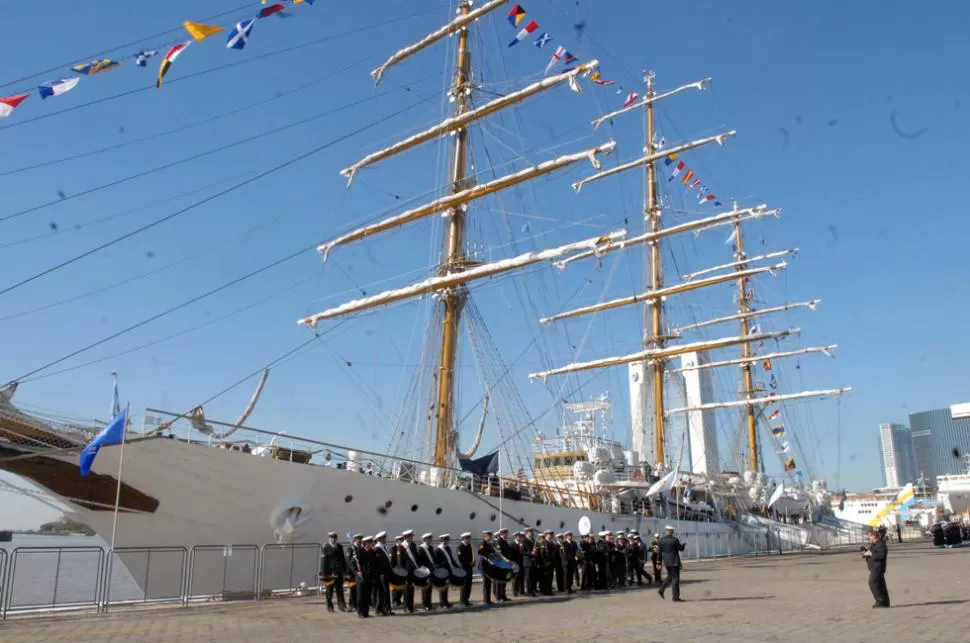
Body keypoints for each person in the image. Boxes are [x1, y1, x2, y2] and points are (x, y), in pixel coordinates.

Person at [321, 531, 349, 612]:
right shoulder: (325, 547)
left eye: (334, 537)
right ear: (329, 538)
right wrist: (324, 574)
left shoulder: (339, 546)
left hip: (339, 572)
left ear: (336, 538)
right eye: (331, 537)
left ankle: (342, 605)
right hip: (330, 573)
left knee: (340, 590)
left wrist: (345, 571)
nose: (333, 539)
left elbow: (343, 559)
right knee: (329, 590)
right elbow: (324, 561)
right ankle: (330, 607)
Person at [862, 529, 890, 608]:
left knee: (872, 583)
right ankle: (885, 602)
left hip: (878, 567)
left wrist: (871, 553)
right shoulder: (874, 544)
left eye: (870, 536)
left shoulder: (880, 544)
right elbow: (871, 552)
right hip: (874, 567)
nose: (869, 538)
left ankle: (880, 600)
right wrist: (865, 553)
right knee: (881, 585)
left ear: (874, 536)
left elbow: (880, 555)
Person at [657, 525, 686, 602]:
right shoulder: (675, 540)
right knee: (675, 579)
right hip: (674, 561)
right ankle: (675, 597)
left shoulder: (661, 540)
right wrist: (683, 545)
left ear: (666, 531)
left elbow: (659, 553)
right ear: (672, 532)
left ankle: (661, 590)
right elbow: (681, 549)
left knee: (670, 577)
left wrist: (658, 562)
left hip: (666, 561)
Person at [354, 536, 376, 618]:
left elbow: (374, 565)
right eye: (370, 543)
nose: (371, 544)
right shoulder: (359, 552)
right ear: (365, 544)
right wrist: (357, 571)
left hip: (369, 576)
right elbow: (352, 564)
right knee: (360, 596)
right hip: (361, 577)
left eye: (371, 542)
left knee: (367, 595)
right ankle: (360, 612)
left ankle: (366, 612)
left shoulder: (372, 552)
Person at [433, 534, 455, 609]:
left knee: (446, 586)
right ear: (442, 540)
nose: (447, 541)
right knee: (442, 587)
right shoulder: (438, 550)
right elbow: (436, 562)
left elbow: (451, 558)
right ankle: (442, 603)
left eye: (448, 539)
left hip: (448, 569)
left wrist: (456, 566)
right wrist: (442, 563)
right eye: (446, 539)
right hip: (442, 570)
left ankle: (446, 602)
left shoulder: (448, 548)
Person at [372, 531, 392, 615]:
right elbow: (377, 564)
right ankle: (379, 610)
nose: (385, 539)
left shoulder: (382, 547)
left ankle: (386, 609)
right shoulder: (377, 549)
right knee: (381, 593)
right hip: (381, 575)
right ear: (380, 539)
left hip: (385, 574)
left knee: (386, 592)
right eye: (384, 538)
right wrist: (380, 574)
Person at [401, 529, 419, 613]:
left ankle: (411, 606)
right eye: (410, 536)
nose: (412, 538)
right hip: (406, 571)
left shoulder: (413, 545)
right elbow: (401, 560)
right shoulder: (402, 546)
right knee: (406, 590)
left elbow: (416, 557)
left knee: (412, 588)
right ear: (406, 537)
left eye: (412, 536)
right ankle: (406, 607)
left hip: (413, 570)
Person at [417, 533, 437, 611]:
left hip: (431, 570)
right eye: (428, 539)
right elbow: (420, 561)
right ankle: (425, 605)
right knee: (425, 588)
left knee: (430, 587)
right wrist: (425, 568)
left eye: (430, 538)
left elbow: (433, 558)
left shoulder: (431, 547)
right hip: (425, 570)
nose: (430, 540)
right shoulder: (421, 548)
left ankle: (429, 604)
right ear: (425, 539)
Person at [495, 528, 514, 601]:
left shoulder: (504, 541)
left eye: (507, 533)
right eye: (505, 533)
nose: (506, 535)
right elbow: (499, 554)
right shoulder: (499, 541)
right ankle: (499, 596)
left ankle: (503, 595)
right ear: (501, 534)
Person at [478, 530, 497, 605]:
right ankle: (485, 600)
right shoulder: (483, 543)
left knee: (488, 583)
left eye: (491, 536)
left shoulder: (489, 544)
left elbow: (493, 552)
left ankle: (488, 599)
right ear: (486, 536)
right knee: (486, 583)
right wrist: (488, 556)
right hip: (484, 566)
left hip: (489, 566)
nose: (491, 537)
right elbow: (480, 552)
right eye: (490, 536)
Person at [457, 532, 475, 607]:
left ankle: (467, 600)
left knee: (469, 584)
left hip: (469, 568)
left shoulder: (469, 546)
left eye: (469, 538)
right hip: (464, 568)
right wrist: (468, 563)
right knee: (463, 585)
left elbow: (471, 555)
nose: (468, 540)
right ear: (463, 539)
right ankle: (462, 601)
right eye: (467, 538)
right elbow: (460, 559)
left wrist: (473, 562)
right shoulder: (460, 547)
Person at [347, 534, 363, 611]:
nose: (360, 541)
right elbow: (348, 562)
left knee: (358, 590)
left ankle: (357, 604)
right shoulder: (350, 549)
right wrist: (349, 573)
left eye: (361, 539)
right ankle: (352, 604)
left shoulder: (360, 548)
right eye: (358, 539)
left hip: (359, 573)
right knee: (353, 590)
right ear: (355, 540)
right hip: (352, 573)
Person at [519, 528, 536, 597]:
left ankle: (532, 590)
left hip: (533, 561)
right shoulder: (524, 540)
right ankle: (529, 591)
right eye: (530, 532)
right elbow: (522, 551)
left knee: (532, 577)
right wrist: (530, 553)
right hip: (527, 561)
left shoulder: (533, 540)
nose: (531, 533)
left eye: (532, 532)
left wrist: (535, 552)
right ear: (526, 533)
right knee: (528, 577)